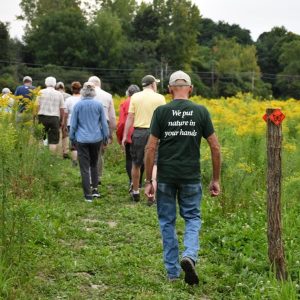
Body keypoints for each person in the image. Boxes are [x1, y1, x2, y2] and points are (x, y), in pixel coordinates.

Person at [144, 70, 221, 285]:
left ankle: (172, 273)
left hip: (166, 176)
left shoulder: (161, 112)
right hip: (190, 177)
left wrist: (150, 180)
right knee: (193, 218)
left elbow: (150, 148)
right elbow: (215, 147)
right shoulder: (201, 111)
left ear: (169, 90)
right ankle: (189, 255)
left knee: (167, 222)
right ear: (191, 89)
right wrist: (215, 179)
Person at [122, 75, 165, 202]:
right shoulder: (160, 98)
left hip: (139, 132)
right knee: (154, 163)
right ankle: (152, 194)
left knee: (136, 163)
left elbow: (130, 117)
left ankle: (135, 191)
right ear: (152, 84)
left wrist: (125, 136)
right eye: (155, 83)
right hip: (155, 133)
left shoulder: (135, 97)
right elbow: (163, 118)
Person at [69, 82, 109, 202]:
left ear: (82, 92)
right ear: (93, 93)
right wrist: (105, 137)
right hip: (96, 138)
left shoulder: (77, 106)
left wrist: (72, 138)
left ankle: (87, 195)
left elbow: (73, 125)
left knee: (84, 167)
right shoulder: (98, 105)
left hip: (82, 139)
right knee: (94, 164)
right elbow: (104, 123)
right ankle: (95, 189)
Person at [88, 76, 116, 184]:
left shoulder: (85, 95)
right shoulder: (108, 96)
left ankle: (89, 176)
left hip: (88, 125)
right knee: (99, 153)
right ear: (99, 84)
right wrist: (110, 133)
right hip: (103, 126)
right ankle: (98, 176)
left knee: (88, 151)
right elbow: (112, 117)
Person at [116, 84, 145, 190]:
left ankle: (132, 182)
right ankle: (139, 182)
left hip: (129, 134)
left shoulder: (125, 102)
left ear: (128, 92)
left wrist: (120, 136)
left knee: (129, 159)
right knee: (141, 158)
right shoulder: (142, 101)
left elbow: (122, 122)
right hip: (142, 132)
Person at [37, 77, 65, 153]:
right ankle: (51, 157)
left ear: (45, 83)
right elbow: (62, 109)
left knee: (40, 137)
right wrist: (62, 120)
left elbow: (37, 106)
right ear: (55, 84)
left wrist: (35, 117)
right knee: (53, 140)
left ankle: (40, 154)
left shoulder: (40, 92)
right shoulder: (59, 94)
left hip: (42, 117)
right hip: (54, 118)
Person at [64, 81, 82, 167]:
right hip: (82, 123)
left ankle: (74, 161)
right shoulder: (83, 99)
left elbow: (65, 114)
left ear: (72, 89)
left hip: (70, 122)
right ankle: (82, 160)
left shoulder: (68, 100)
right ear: (80, 89)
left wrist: (64, 124)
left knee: (74, 143)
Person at [55, 81, 71, 159]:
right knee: (66, 134)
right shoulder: (69, 96)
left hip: (57, 116)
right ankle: (66, 151)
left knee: (58, 134)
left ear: (56, 87)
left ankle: (59, 153)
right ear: (63, 88)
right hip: (67, 116)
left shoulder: (55, 94)